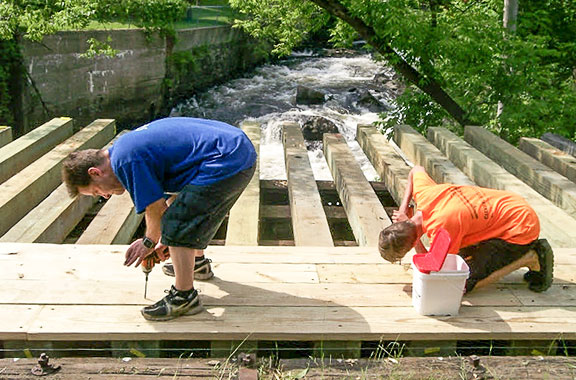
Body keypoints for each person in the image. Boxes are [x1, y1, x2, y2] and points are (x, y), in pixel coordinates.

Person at [61, 117, 257, 321]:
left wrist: (149, 242)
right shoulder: (123, 150)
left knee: (177, 222)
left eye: (96, 191)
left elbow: (155, 209)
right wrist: (166, 242)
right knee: (185, 213)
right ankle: (197, 264)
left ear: (95, 172)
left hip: (227, 158)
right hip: (235, 149)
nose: (104, 196)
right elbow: (173, 199)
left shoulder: (126, 161)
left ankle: (184, 297)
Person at [378, 165, 553, 293]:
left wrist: (417, 244)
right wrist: (403, 208)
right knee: (461, 255)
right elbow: (416, 170)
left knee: (460, 284)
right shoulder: (425, 195)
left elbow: (436, 269)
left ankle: (530, 257)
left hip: (520, 228)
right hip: (511, 205)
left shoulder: (442, 227)